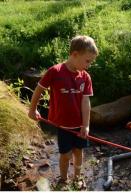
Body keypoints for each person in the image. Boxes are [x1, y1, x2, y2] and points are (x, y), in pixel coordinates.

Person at [28, 35, 98, 186]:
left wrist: (85, 125)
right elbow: (39, 90)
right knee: (65, 154)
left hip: (79, 125)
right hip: (63, 125)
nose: (89, 65)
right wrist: (32, 110)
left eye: (91, 62)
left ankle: (77, 177)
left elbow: (86, 102)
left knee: (79, 152)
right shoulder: (55, 71)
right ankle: (64, 178)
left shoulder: (85, 77)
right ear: (75, 55)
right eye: (87, 61)